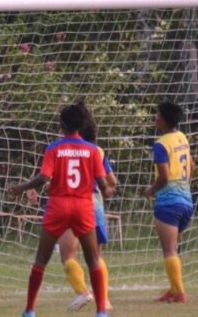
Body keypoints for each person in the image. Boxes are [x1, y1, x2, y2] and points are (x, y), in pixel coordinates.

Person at [9, 102, 115, 317]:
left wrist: (22, 187)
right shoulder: (93, 150)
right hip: (84, 206)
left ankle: (29, 310)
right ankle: (102, 311)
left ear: (62, 125)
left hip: (58, 205)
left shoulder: (54, 148)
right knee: (93, 259)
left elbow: (44, 178)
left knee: (41, 260)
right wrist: (107, 191)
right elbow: (103, 185)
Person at [59, 107, 117, 312]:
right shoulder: (97, 151)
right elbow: (112, 182)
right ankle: (104, 299)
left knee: (67, 255)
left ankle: (84, 292)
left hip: (74, 203)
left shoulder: (63, 149)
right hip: (96, 204)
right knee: (95, 257)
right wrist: (106, 189)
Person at [140, 101, 194, 303]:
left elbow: (163, 176)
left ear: (163, 119)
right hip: (186, 201)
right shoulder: (182, 138)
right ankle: (173, 289)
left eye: (157, 114)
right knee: (174, 247)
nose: (155, 118)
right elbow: (192, 166)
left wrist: (150, 191)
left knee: (169, 250)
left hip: (169, 202)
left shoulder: (161, 144)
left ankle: (179, 292)